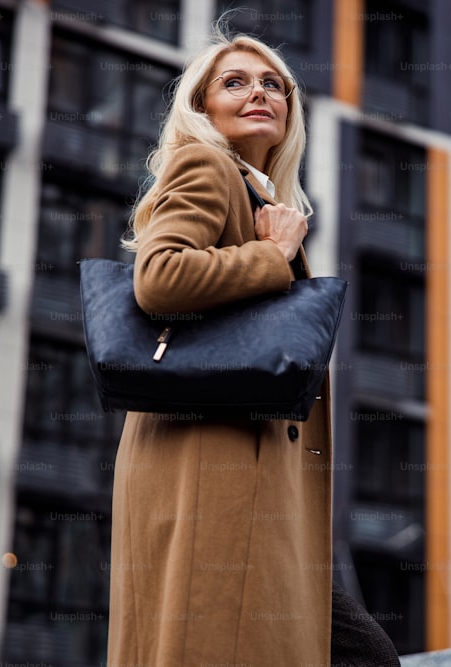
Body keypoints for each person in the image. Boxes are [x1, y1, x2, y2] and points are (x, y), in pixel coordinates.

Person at [107, 28, 401, 667]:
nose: (259, 92)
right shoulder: (205, 164)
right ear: (200, 106)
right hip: (214, 474)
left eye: (274, 84)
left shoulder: (265, 198)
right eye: (234, 82)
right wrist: (272, 255)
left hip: (243, 480)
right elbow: (159, 277)